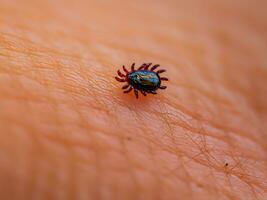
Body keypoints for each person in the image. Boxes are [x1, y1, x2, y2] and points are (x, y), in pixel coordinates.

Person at [0, 0, 266, 199]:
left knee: (153, 82)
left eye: (129, 78)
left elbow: (145, 85)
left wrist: (146, 88)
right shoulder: (137, 80)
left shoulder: (134, 82)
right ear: (134, 79)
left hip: (150, 81)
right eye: (131, 79)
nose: (128, 79)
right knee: (154, 81)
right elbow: (148, 83)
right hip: (151, 81)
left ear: (130, 79)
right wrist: (148, 86)